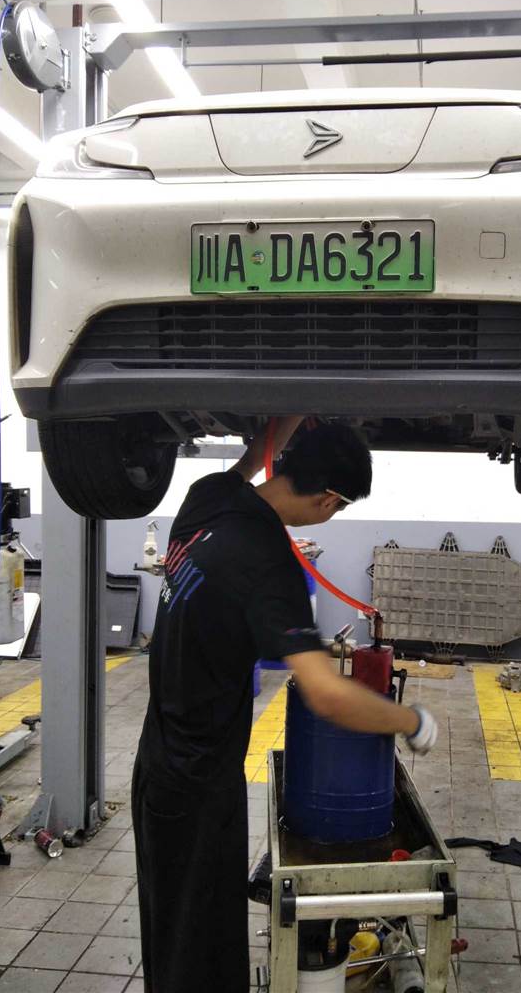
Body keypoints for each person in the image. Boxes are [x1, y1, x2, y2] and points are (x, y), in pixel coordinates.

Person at [131, 418, 438, 993]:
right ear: (328, 500)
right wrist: (410, 721)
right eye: (338, 508)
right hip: (199, 783)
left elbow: (254, 455)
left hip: (156, 760)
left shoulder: (209, 496)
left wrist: (291, 409)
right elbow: (325, 693)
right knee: (197, 952)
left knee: (170, 930)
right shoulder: (271, 563)